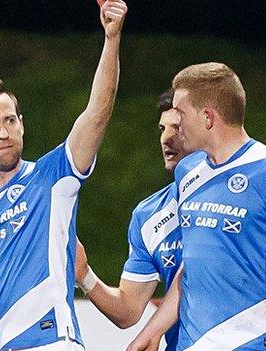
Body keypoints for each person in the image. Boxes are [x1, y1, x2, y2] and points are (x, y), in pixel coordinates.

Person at [0, 1, 127, 350]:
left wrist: (112, 39)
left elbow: (97, 114)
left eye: (9, 120)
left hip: (50, 341)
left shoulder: (52, 177)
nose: (3, 132)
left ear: (21, 123)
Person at [128, 62, 266, 350]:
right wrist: (151, 332)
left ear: (208, 118)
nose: (175, 125)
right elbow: (192, 266)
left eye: (180, 113)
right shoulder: (187, 171)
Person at [75, 89, 188, 351]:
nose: (166, 138)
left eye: (177, 128)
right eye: (162, 128)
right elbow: (128, 311)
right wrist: (84, 275)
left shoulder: (247, 189)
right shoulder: (149, 215)